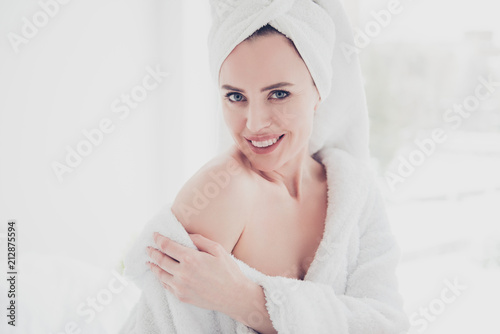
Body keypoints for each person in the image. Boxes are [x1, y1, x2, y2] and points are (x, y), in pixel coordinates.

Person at [120, 1, 410, 333]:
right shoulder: (221, 192)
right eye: (235, 97)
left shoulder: (354, 190)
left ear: (319, 91)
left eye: (279, 94)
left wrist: (245, 299)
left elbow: (389, 324)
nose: (255, 123)